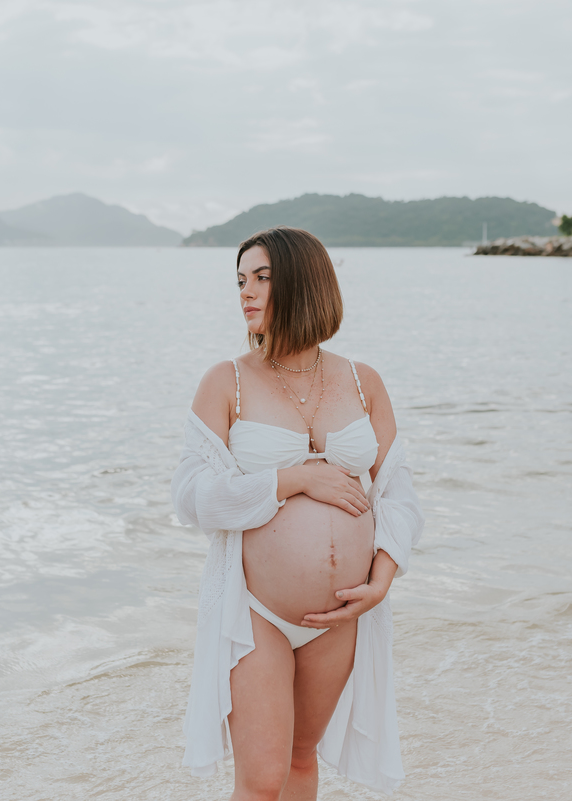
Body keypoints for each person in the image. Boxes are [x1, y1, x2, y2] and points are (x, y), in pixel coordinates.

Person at [171, 226, 425, 799]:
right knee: (262, 781)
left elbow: (398, 493)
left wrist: (382, 579)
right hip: (256, 612)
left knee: (302, 761)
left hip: (342, 612)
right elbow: (191, 495)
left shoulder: (363, 383)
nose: (246, 292)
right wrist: (292, 478)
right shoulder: (227, 381)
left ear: (306, 284)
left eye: (262, 278)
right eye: (240, 280)